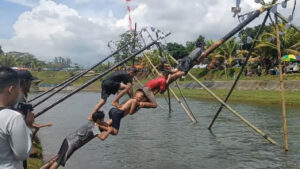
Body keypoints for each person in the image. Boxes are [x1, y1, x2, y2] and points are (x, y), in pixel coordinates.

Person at [42, 111, 113, 169]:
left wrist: (103, 124)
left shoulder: (92, 122)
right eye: (103, 119)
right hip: (71, 144)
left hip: (68, 140)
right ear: (98, 120)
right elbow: (102, 138)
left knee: (58, 158)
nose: (103, 121)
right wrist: (109, 130)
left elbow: (99, 123)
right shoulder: (94, 127)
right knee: (59, 161)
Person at [15, 69, 52, 169]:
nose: (31, 84)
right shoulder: (20, 98)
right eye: (29, 82)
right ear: (24, 82)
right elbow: (17, 124)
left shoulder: (19, 96)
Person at [0, 66, 32, 169]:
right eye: (18, 89)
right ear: (11, 89)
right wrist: (28, 126)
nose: (19, 93)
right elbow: (23, 154)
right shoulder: (13, 117)